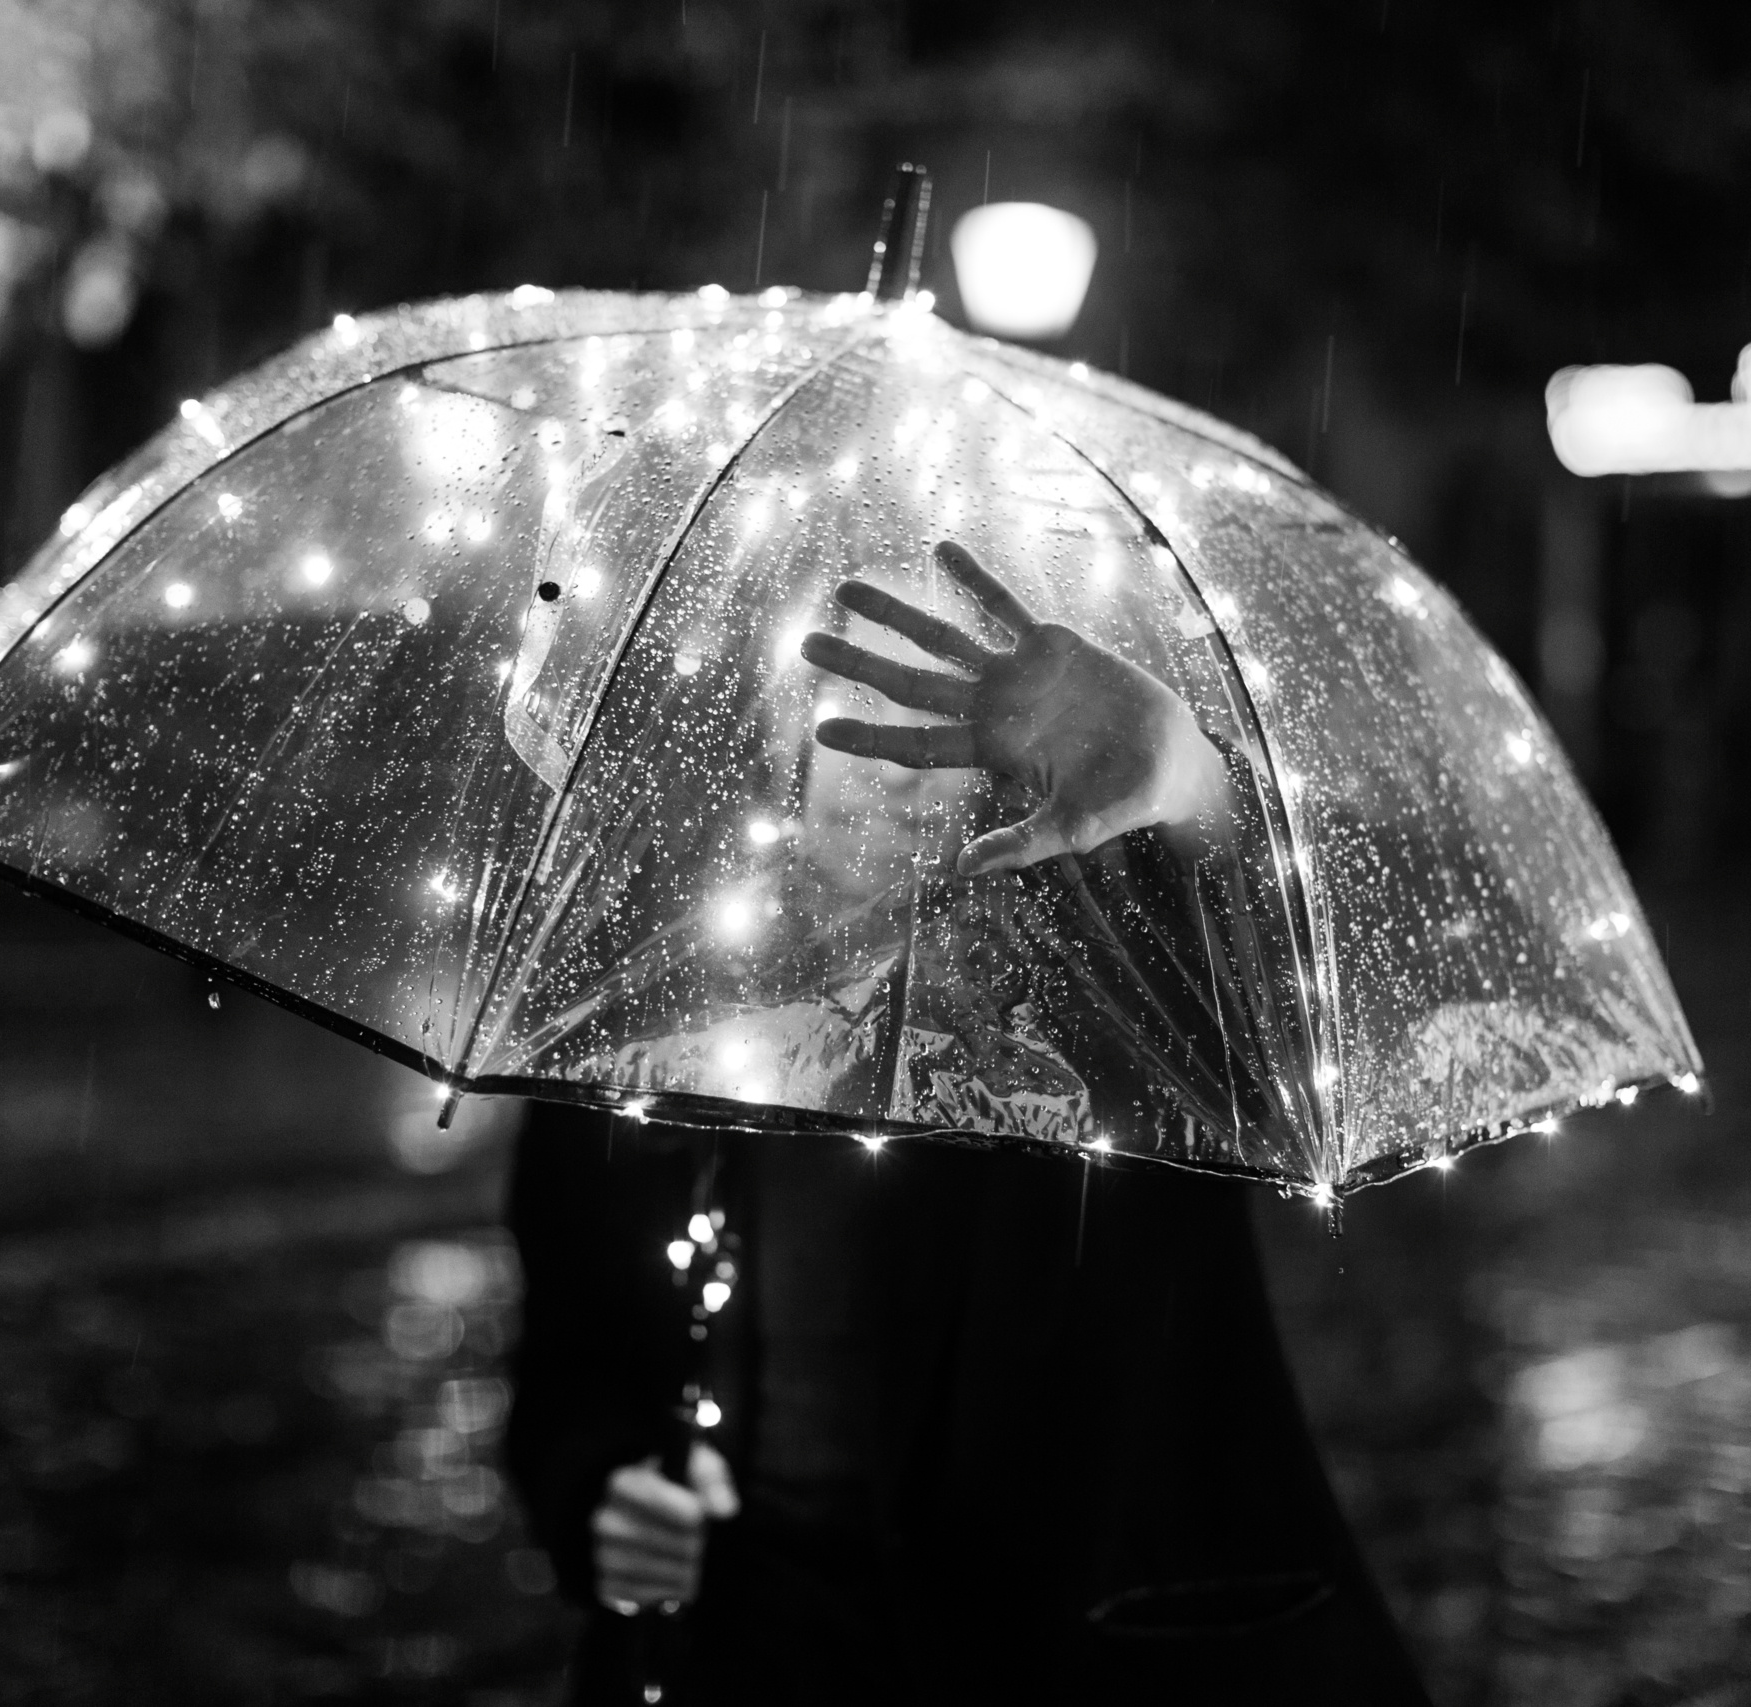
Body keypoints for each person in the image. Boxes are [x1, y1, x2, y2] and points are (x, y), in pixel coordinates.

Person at [506, 543, 1435, 1704]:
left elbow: (1331, 992)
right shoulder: (648, 1036)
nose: (892, 773)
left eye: (934, 719)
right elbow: (568, 1367)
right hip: (750, 1655)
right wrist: (603, 1493)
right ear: (783, 735)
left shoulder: (1107, 1002)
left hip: (1062, 1661)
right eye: (856, 704)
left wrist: (1197, 789)